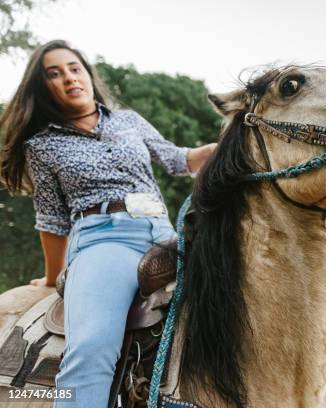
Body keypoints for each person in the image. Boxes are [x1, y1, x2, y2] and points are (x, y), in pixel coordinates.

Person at [0, 40, 216, 407]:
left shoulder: (129, 121)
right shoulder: (43, 144)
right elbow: (52, 219)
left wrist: (230, 144)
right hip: (103, 240)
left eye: (73, 68)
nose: (68, 77)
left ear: (87, 74)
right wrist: (54, 278)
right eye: (54, 73)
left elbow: (180, 159)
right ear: (43, 88)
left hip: (165, 234)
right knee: (92, 348)